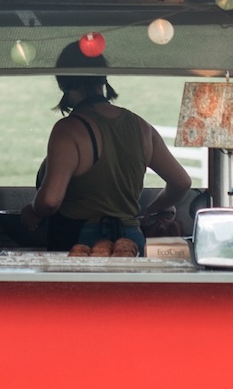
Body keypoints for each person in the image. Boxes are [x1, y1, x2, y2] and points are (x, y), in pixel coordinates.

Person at [20, 42, 191, 253]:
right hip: (130, 240)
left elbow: (50, 201)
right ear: (103, 77)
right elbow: (182, 182)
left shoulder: (69, 129)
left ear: (62, 81)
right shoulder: (140, 126)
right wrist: (153, 209)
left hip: (80, 244)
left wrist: (32, 211)